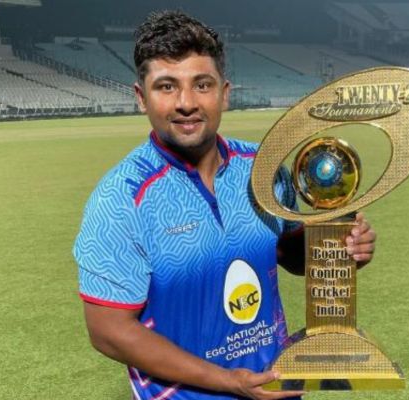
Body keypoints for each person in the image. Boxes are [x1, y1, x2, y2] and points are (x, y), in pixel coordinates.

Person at [73, 10, 376, 400]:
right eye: (166, 87)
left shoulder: (263, 169)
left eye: (202, 84)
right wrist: (228, 381)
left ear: (225, 92)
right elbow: (109, 332)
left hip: (276, 386)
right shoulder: (120, 198)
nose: (186, 103)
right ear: (140, 97)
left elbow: (288, 253)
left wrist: (341, 248)